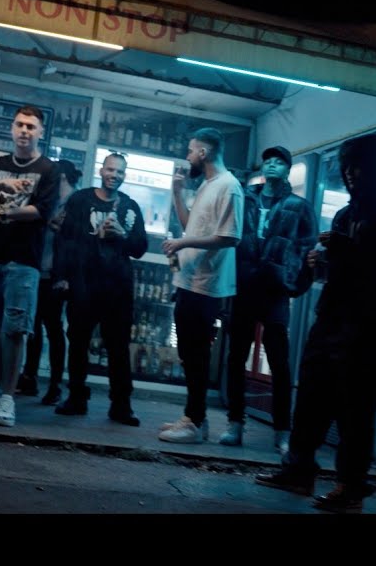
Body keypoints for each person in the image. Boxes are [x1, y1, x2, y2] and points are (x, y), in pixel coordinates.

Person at [255, 133, 376, 513]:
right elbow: (339, 270)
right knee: (310, 397)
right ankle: (299, 470)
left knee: (354, 411)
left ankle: (350, 487)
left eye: (358, 167)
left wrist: (349, 252)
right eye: (346, 167)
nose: (350, 175)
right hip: (330, 319)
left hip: (364, 327)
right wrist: (319, 262)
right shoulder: (346, 214)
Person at [0, 106, 59, 428]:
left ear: (41, 132)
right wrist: (2, 186)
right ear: (11, 128)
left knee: (16, 329)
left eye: (31, 126)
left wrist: (3, 213)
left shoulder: (48, 170)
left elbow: (43, 211)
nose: (24, 131)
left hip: (24, 261)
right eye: (20, 125)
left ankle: (8, 396)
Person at [222, 145, 316, 449]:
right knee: (236, 357)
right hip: (245, 287)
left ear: (288, 169)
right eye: (268, 161)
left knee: (279, 362)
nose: (272, 165)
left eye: (279, 162)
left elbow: (308, 248)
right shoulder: (245, 198)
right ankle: (235, 423)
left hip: (275, 291)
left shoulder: (298, 206)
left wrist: (293, 284)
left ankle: (282, 430)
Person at [159, 128, 243, 443]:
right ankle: (195, 418)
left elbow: (231, 237)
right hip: (189, 280)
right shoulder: (208, 185)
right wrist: (177, 193)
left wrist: (183, 243)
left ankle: (194, 422)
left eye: (191, 151)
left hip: (206, 284)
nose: (188, 157)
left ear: (203, 153)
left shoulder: (229, 186)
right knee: (188, 353)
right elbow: (190, 226)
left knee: (196, 355)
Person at [54, 152, 148, 424]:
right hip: (83, 284)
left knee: (118, 347)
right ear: (101, 171)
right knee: (78, 343)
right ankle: (76, 398)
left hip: (117, 289)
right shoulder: (81, 200)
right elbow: (64, 239)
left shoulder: (129, 207)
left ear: (124, 176)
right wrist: (62, 276)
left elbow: (140, 248)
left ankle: (121, 405)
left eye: (119, 172)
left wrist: (123, 234)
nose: (114, 175)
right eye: (110, 170)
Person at [21, 159, 80, 403]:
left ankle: (54, 385)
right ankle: (30, 378)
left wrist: (66, 276)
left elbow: (77, 242)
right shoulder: (52, 200)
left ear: (61, 176)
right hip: (40, 270)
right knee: (34, 327)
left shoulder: (76, 203)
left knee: (53, 329)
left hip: (57, 275)